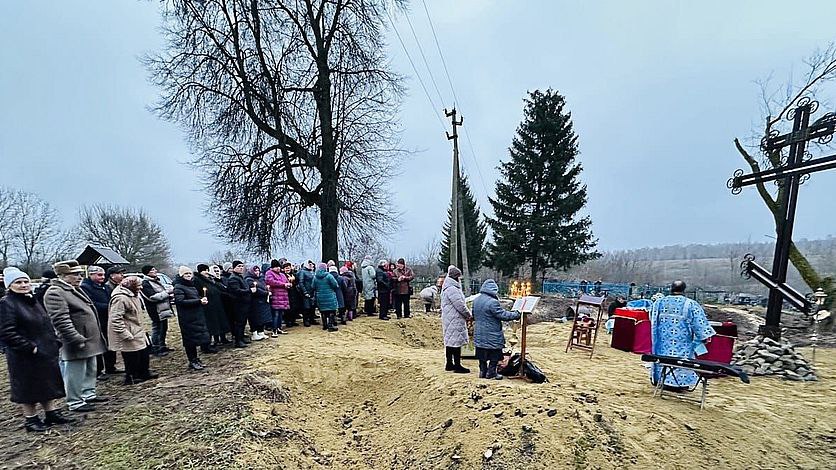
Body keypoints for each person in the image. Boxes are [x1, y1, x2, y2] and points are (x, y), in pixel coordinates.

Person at [0, 267, 74, 432]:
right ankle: (31, 420)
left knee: (47, 384)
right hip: (24, 356)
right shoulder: (7, 303)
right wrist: (29, 348)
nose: (24, 285)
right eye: (18, 282)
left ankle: (51, 413)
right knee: (28, 389)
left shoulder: (31, 300)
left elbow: (45, 322)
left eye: (25, 281)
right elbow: (7, 332)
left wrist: (55, 341)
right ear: (9, 285)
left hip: (45, 351)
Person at [44, 260, 108, 412]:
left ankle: (88, 393)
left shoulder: (74, 289)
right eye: (74, 274)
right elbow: (60, 319)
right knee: (75, 372)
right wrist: (75, 338)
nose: (79, 277)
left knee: (90, 369)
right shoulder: (55, 292)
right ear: (63, 275)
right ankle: (75, 401)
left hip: (89, 338)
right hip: (77, 340)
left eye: (79, 274)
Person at [650, 280, 716, 391]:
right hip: (682, 343)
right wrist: (704, 337)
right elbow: (700, 324)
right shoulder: (690, 304)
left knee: (665, 360)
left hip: (662, 343)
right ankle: (678, 384)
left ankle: (662, 380)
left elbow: (652, 320)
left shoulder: (658, 303)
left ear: (671, 288)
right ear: (684, 290)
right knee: (682, 361)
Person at [108, 276, 156, 385]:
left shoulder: (133, 294)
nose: (141, 287)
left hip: (137, 329)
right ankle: (131, 377)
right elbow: (115, 318)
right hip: (129, 330)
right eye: (138, 285)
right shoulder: (120, 298)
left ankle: (144, 373)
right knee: (131, 356)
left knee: (143, 352)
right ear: (131, 286)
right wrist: (124, 333)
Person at [472, 279, 521, 379]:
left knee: (482, 354)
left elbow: (473, 314)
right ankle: (491, 373)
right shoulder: (493, 302)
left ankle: (482, 372)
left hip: (479, 332)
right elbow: (502, 315)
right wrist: (516, 314)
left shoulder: (476, 300)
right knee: (494, 353)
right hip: (492, 333)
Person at [80, 266, 122, 379]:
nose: (102, 277)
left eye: (103, 275)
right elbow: (91, 304)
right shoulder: (85, 288)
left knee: (110, 343)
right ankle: (98, 371)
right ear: (91, 275)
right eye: (99, 275)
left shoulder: (105, 287)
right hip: (95, 320)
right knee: (98, 346)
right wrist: (109, 307)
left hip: (107, 319)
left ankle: (110, 367)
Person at [173, 266, 213, 370]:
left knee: (197, 338)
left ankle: (195, 359)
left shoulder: (191, 286)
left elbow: (193, 298)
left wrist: (201, 300)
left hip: (196, 316)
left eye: (190, 274)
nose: (188, 276)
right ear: (181, 275)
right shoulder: (178, 287)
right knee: (190, 341)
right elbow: (180, 301)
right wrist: (199, 301)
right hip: (187, 318)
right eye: (186, 274)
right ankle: (192, 360)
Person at [440, 265, 471, 374]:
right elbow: (460, 305)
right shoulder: (452, 289)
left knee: (450, 341)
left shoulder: (447, 287)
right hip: (455, 318)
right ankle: (457, 365)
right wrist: (468, 315)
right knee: (456, 342)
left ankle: (449, 363)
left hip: (449, 317)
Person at [193, 264, 231, 346]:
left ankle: (222, 338)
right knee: (212, 324)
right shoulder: (197, 280)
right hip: (208, 305)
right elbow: (197, 292)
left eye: (207, 270)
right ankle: (210, 342)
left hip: (217, 303)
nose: (207, 272)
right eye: (205, 270)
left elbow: (217, 289)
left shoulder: (211, 279)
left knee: (220, 322)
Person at [140, 265, 174, 356]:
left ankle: (162, 346)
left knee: (164, 328)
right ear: (147, 272)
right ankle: (156, 348)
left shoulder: (156, 281)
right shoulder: (145, 283)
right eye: (152, 270)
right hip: (155, 310)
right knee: (157, 328)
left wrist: (169, 297)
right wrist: (168, 292)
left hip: (163, 309)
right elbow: (153, 297)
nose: (155, 271)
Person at [226, 260, 255, 347]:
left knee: (242, 323)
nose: (241, 268)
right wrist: (250, 290)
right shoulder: (233, 278)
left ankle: (241, 338)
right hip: (238, 305)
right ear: (234, 268)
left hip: (244, 304)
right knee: (239, 323)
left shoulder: (240, 277)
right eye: (239, 266)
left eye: (242, 266)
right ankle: (238, 341)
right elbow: (237, 291)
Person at [264, 260, 291, 337]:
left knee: (280, 314)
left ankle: (279, 328)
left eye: (279, 266)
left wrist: (289, 284)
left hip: (283, 297)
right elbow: (271, 282)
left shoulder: (282, 275)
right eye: (276, 267)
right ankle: (274, 329)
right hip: (275, 296)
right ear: (272, 267)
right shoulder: (269, 273)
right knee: (275, 314)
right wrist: (283, 284)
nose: (278, 268)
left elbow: (286, 281)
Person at [312, 263, 340, 332]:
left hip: (320, 296)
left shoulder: (315, 277)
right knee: (332, 310)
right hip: (330, 295)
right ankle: (330, 325)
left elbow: (313, 286)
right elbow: (335, 285)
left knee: (323, 311)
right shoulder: (329, 276)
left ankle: (324, 325)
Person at [245, 265, 270, 341]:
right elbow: (255, 290)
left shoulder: (261, 279)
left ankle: (261, 332)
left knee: (262, 318)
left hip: (263, 301)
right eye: (255, 271)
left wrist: (267, 290)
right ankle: (254, 333)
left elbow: (264, 286)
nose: (257, 272)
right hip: (255, 302)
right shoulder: (249, 279)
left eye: (258, 271)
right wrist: (266, 293)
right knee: (255, 318)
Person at [297, 260, 317, 327]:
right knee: (306, 307)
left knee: (312, 306)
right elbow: (301, 282)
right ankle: (306, 320)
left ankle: (312, 319)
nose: (312, 265)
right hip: (306, 291)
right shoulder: (303, 272)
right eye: (310, 264)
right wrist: (305, 292)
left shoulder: (312, 272)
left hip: (312, 291)